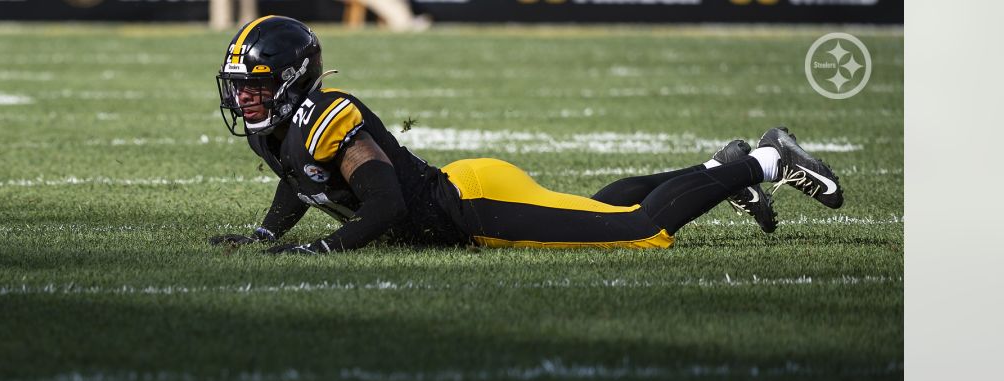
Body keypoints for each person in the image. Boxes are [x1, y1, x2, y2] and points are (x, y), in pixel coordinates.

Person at [207, 16, 842, 254]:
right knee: (604, 208)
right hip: (468, 197)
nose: (244, 98)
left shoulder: (328, 116)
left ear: (292, 78)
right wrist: (267, 233)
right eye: (240, 87)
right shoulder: (277, 131)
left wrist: (324, 252)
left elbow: (386, 204)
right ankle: (719, 167)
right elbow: (302, 182)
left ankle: (764, 160)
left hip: (473, 205)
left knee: (638, 232)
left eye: (255, 85)